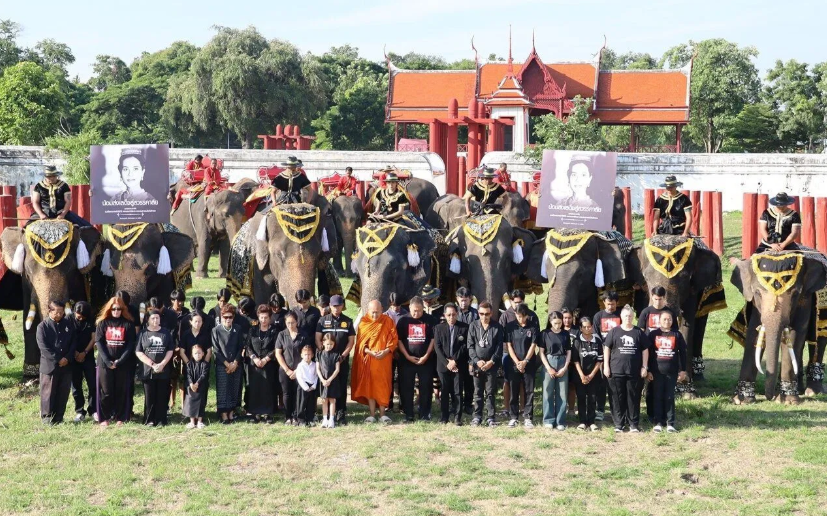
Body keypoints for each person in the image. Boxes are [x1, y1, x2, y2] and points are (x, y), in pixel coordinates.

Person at [603, 305, 650, 433]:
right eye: (625, 316)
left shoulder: (638, 332)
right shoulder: (614, 331)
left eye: (630, 316)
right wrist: (606, 366)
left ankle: (633, 424)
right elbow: (606, 348)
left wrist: (644, 367)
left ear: (633, 317)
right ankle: (619, 424)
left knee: (633, 398)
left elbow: (645, 350)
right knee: (617, 398)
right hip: (616, 370)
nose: (628, 318)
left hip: (634, 371)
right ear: (621, 317)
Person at [351, 300, 398, 424]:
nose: (375, 316)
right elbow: (361, 344)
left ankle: (383, 414)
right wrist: (370, 352)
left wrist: (386, 351)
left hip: (384, 360)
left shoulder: (388, 321)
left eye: (377, 312)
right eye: (372, 313)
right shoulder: (364, 322)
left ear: (382, 309)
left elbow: (394, 339)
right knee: (370, 386)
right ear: (368, 310)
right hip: (370, 360)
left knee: (383, 386)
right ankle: (372, 414)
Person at [95, 296, 137, 427]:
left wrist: (120, 361)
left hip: (123, 363)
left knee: (121, 391)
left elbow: (131, 344)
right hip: (104, 363)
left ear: (123, 309)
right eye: (114, 309)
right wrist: (107, 361)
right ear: (109, 309)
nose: (116, 311)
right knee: (106, 391)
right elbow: (99, 342)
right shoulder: (103, 323)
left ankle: (121, 417)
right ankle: (104, 417)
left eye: (119, 309)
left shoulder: (128, 324)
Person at [314, 295, 355, 425]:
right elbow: (318, 338)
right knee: (327, 386)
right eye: (334, 306)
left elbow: (351, 341)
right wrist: (323, 354)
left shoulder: (348, 321)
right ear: (330, 306)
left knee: (341, 386)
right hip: (326, 362)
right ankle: (326, 415)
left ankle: (341, 413)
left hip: (341, 360)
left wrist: (342, 356)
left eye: (339, 305)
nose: (336, 308)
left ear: (342, 305)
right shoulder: (322, 320)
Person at [396, 296, 437, 423]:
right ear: (409, 308)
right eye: (414, 310)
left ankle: (425, 413)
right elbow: (398, 340)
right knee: (407, 387)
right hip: (407, 361)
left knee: (426, 386)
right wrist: (407, 356)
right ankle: (409, 414)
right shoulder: (403, 320)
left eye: (419, 310)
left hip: (426, 361)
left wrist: (426, 356)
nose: (416, 313)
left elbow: (433, 339)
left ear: (423, 308)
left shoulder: (431, 320)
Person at [36, 300, 76, 425]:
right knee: (48, 392)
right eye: (57, 312)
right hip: (50, 366)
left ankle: (59, 417)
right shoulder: (42, 326)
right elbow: (44, 347)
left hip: (67, 365)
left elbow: (73, 342)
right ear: (50, 311)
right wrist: (58, 359)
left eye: (61, 312)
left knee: (63, 392)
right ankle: (47, 417)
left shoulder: (68, 324)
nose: (59, 314)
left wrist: (67, 358)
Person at [648, 312, 687, 433]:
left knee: (670, 397)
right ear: (659, 321)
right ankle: (658, 422)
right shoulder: (653, 334)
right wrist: (648, 370)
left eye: (669, 319)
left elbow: (683, 354)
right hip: (657, 371)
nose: (667, 321)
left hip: (672, 371)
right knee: (658, 396)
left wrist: (683, 370)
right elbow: (648, 353)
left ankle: (670, 423)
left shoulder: (677, 334)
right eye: (664, 319)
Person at [467, 301, 505, 427]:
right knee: (477, 392)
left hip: (491, 365)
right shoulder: (473, 326)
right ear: (478, 313)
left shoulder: (497, 327)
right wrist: (477, 360)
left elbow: (499, 347)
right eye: (482, 314)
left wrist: (491, 361)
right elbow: (470, 346)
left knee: (490, 392)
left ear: (491, 313)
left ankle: (490, 417)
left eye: (487, 314)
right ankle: (477, 416)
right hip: (477, 364)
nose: (484, 316)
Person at [135, 310, 175, 427]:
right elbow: (138, 351)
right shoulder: (143, 334)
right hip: (148, 370)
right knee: (149, 396)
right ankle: (149, 419)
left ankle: (161, 419)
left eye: (157, 318)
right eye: (153, 318)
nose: (155, 320)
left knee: (162, 395)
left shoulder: (165, 333)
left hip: (163, 370)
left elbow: (170, 350)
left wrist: (162, 364)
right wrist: (152, 364)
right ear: (148, 319)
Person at [505, 304, 540, 429]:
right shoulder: (510, 327)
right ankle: (513, 417)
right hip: (513, 363)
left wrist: (525, 361)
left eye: (523, 317)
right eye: (518, 316)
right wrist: (517, 362)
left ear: (527, 315)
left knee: (529, 391)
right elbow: (509, 346)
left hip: (529, 363)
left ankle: (528, 417)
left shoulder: (533, 326)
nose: (520, 319)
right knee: (514, 390)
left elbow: (533, 345)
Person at [434, 303, 469, 425]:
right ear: (444, 315)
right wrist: (447, 362)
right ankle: (444, 417)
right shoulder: (438, 328)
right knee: (444, 390)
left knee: (458, 391)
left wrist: (454, 360)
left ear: (457, 314)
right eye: (448, 315)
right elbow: (437, 347)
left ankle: (457, 417)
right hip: (443, 366)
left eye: (454, 315)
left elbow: (465, 346)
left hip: (458, 364)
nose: (451, 317)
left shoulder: (464, 328)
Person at [275, 312, 312, 425]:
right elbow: (278, 353)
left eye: (292, 322)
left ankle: (296, 416)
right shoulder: (282, 335)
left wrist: (296, 370)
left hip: (300, 370)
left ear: (297, 322)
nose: (290, 325)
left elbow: (307, 353)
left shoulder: (303, 334)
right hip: (284, 370)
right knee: (286, 393)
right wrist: (287, 369)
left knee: (297, 393)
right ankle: (288, 416)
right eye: (288, 323)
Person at [246, 305, 279, 424]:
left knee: (268, 388)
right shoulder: (253, 329)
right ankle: (255, 413)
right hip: (254, 364)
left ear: (270, 318)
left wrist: (266, 359)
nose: (263, 320)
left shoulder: (274, 330)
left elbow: (277, 348)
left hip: (269, 363)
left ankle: (268, 413)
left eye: (266, 317)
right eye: (261, 317)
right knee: (255, 388)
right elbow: (248, 346)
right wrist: (254, 358)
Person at [538, 311, 571, 430]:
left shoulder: (565, 334)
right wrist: (548, 367)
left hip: (562, 361)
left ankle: (560, 420)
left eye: (560, 323)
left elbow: (569, 352)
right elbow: (541, 352)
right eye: (555, 323)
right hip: (549, 360)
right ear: (550, 321)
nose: (558, 325)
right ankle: (548, 419)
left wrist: (565, 367)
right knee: (548, 391)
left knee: (562, 393)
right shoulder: (544, 333)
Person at [212, 305, 244, 424]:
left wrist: (235, 362)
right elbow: (216, 350)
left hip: (235, 363)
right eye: (225, 317)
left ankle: (231, 411)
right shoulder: (216, 330)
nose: (228, 319)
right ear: (221, 317)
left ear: (233, 317)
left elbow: (241, 347)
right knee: (223, 388)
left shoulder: (238, 329)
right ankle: (223, 413)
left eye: (230, 317)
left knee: (234, 387)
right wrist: (227, 364)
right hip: (222, 364)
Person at [592, 290, 621, 422]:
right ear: (604, 303)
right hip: (602, 354)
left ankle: (617, 410)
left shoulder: (621, 315)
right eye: (608, 304)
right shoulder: (598, 316)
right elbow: (596, 335)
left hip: (618, 355)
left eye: (613, 304)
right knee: (601, 384)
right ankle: (600, 410)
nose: (611, 307)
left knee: (615, 384)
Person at [571, 317, 603, 431]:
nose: (587, 329)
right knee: (580, 397)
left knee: (592, 398)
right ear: (580, 328)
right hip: (580, 375)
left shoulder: (597, 341)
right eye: (584, 327)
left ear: (592, 327)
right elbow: (575, 360)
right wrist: (582, 375)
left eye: (589, 326)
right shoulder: (577, 341)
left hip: (594, 375)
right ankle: (582, 421)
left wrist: (591, 375)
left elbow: (600, 360)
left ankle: (591, 421)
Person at [70, 301, 96, 423]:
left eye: (82, 316)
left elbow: (93, 338)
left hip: (88, 356)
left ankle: (93, 410)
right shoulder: (69, 319)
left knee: (92, 383)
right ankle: (80, 411)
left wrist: (84, 352)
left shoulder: (91, 319)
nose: (79, 317)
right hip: (73, 356)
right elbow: (67, 338)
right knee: (76, 385)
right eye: (78, 314)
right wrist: (75, 353)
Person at [456, 287, 478, 415]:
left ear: (470, 299)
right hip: (457, 350)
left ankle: (468, 404)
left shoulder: (475, 314)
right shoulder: (454, 312)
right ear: (457, 299)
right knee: (457, 379)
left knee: (470, 380)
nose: (463, 303)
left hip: (471, 350)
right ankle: (456, 404)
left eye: (466, 300)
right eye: (461, 300)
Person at [317, 334, 342, 429]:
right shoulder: (319, 354)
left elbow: (337, 369)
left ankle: (331, 419)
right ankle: (324, 419)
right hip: (323, 381)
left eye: (331, 344)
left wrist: (330, 380)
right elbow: (317, 369)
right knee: (324, 400)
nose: (329, 346)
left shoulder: (336, 355)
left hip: (333, 381)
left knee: (332, 400)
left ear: (334, 344)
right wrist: (323, 380)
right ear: (323, 342)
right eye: (327, 344)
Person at [183, 344, 209, 429]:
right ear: (192, 354)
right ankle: (192, 421)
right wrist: (191, 384)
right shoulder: (189, 364)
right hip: (191, 388)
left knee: (201, 403)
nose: (197, 355)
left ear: (203, 354)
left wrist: (197, 383)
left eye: (199, 353)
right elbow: (188, 375)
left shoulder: (205, 364)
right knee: (190, 403)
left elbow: (203, 375)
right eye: (195, 353)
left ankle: (200, 421)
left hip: (201, 386)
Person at [295, 345, 318, 426]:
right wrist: (305, 387)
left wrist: (314, 386)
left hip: (312, 386)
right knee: (301, 403)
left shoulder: (315, 365)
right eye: (305, 354)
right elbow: (299, 377)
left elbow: (316, 376)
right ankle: (301, 419)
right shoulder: (300, 365)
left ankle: (310, 418)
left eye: (309, 354)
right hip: (303, 387)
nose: (307, 356)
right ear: (302, 355)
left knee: (311, 404)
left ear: (312, 355)